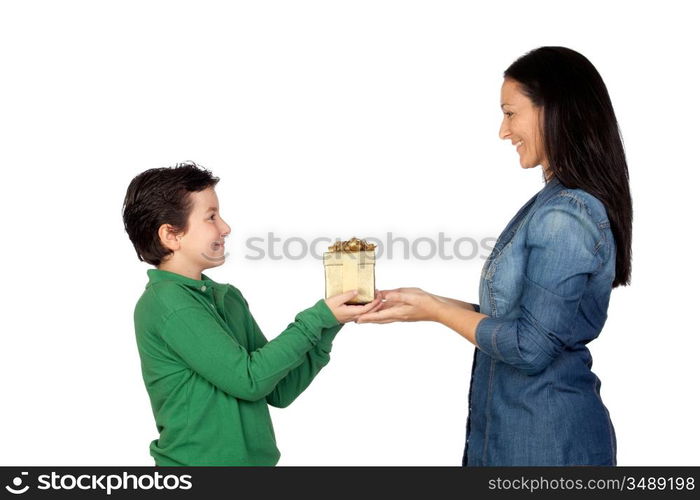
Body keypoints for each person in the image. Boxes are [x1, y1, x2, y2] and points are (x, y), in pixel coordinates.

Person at [357, 46, 632, 466]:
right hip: (509, 435)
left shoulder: (566, 215)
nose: (503, 132)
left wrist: (434, 310)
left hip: (547, 446)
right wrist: (424, 302)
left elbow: (531, 347)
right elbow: (522, 318)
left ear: (553, 111)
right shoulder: (551, 203)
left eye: (510, 113)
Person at [122, 162, 381, 465]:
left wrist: (332, 322)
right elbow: (249, 380)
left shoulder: (227, 298)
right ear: (171, 235)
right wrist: (318, 317)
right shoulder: (168, 303)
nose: (225, 227)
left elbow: (279, 389)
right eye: (211, 217)